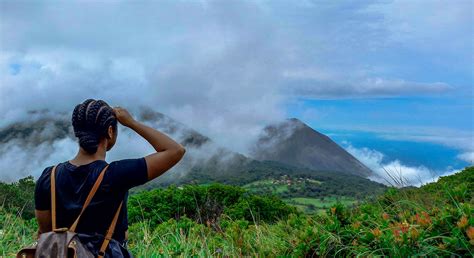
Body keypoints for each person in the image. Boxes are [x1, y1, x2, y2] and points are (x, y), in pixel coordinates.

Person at [34, 99, 186, 257]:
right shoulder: (116, 175)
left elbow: (45, 232)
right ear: (110, 131)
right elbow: (175, 150)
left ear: (77, 132)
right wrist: (131, 122)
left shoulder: (48, 176)